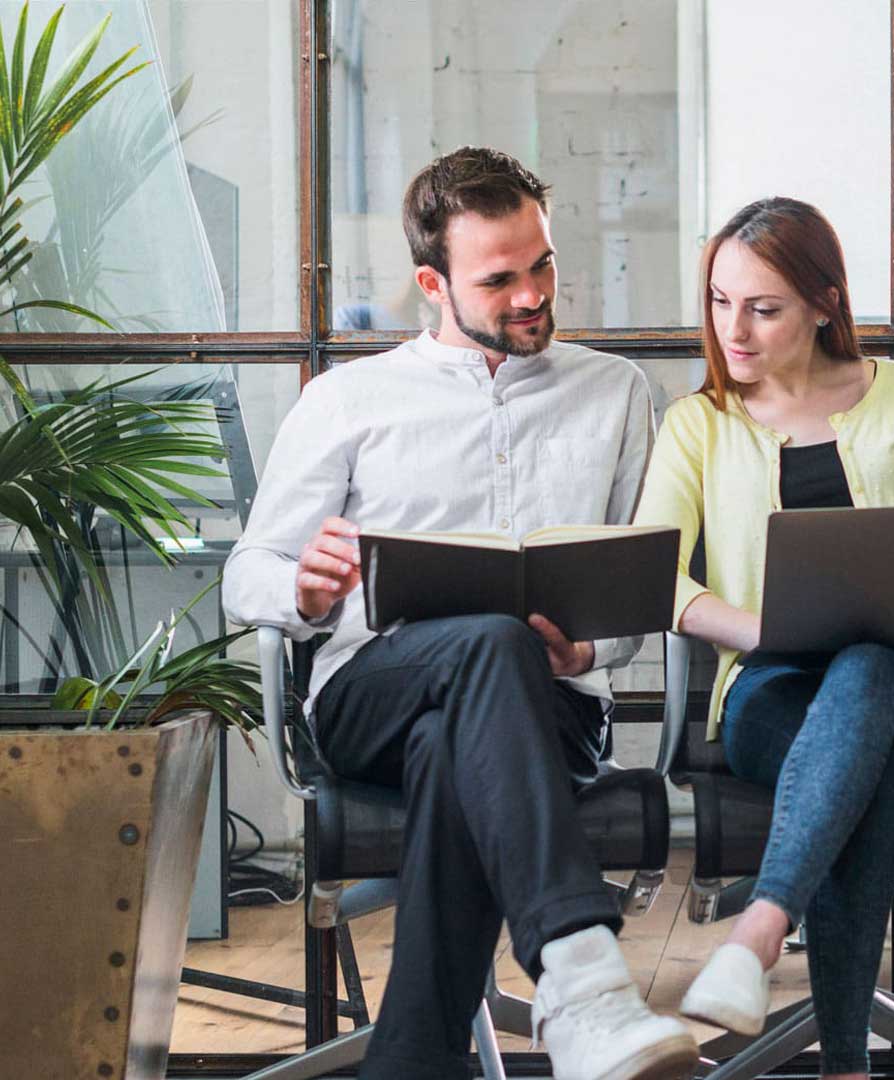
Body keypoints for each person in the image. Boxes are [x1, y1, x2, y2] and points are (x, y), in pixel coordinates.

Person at [224, 146, 697, 1080]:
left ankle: (416, 1056)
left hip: (553, 709)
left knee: (459, 737)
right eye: (501, 278)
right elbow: (249, 575)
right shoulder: (349, 401)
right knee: (482, 645)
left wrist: (586, 648)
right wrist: (305, 591)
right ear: (432, 283)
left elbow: (637, 606)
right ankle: (585, 980)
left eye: (544, 264)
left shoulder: (615, 392)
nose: (533, 295)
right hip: (369, 699)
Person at [635, 197, 894, 1080]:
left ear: (826, 303)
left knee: (869, 669)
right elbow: (656, 576)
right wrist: (759, 626)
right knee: (865, 769)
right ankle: (846, 1066)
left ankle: (760, 927)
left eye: (763, 308)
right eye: (721, 302)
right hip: (770, 690)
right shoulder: (697, 423)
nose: (735, 330)